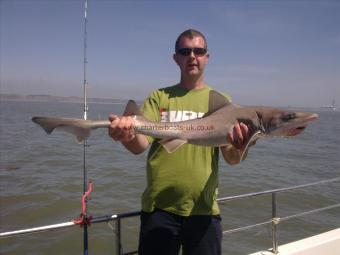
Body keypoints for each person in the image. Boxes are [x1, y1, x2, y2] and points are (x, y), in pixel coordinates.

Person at [108, 29, 251, 255]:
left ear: (207, 57)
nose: (192, 56)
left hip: (204, 211)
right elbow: (140, 146)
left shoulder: (222, 102)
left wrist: (245, 144)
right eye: (185, 51)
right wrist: (126, 136)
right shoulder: (160, 97)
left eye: (199, 51)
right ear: (176, 58)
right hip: (159, 210)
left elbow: (231, 158)